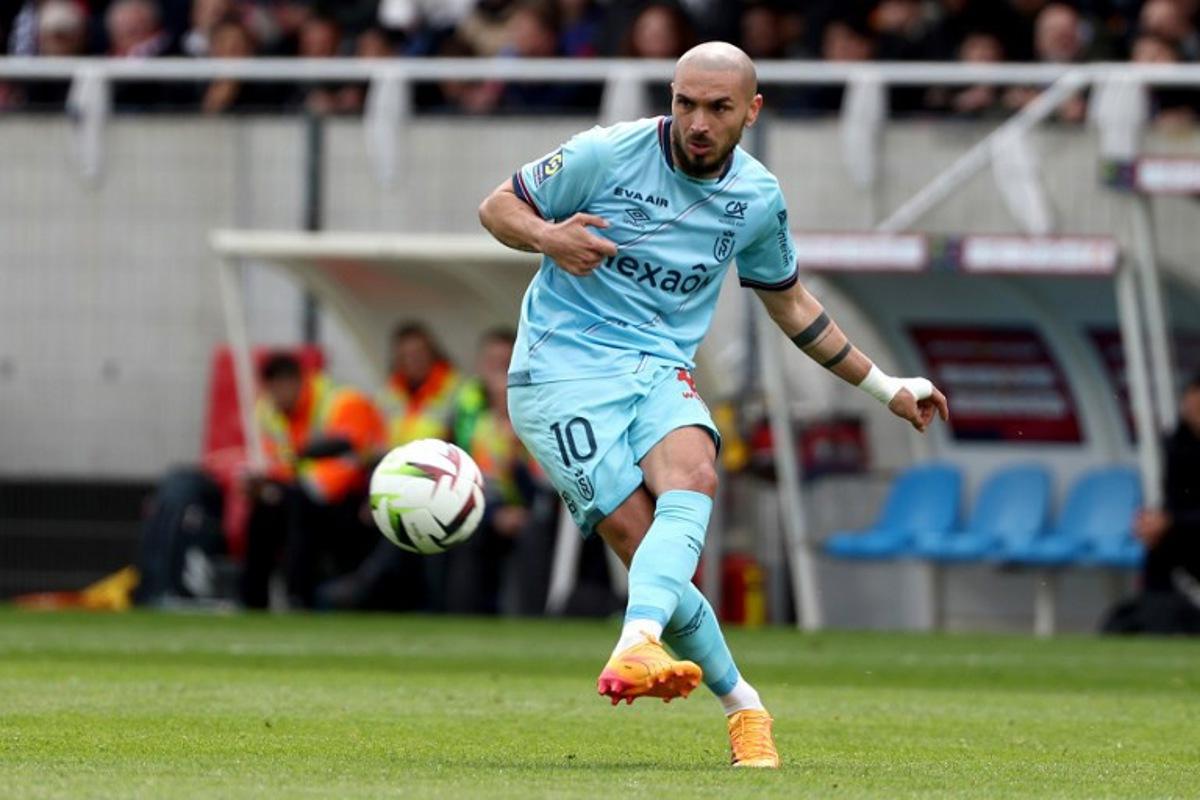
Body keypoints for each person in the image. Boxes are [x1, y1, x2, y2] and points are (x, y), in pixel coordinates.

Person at [478, 41, 948, 768]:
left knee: (695, 477)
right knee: (646, 548)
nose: (697, 121)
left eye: (718, 108)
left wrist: (885, 387)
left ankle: (638, 641)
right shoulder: (606, 155)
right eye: (685, 103)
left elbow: (791, 304)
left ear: (750, 111)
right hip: (560, 373)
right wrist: (549, 236)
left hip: (658, 370)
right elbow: (497, 206)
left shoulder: (755, 199)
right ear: (671, 97)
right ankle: (743, 703)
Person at [239, 353, 387, 609]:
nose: (276, 395)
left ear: (297, 381)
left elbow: (351, 461)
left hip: (353, 498)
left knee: (296, 504)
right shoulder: (268, 410)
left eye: (281, 386)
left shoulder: (343, 403)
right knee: (266, 507)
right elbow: (275, 460)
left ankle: (298, 599)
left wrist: (297, 484)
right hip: (301, 496)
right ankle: (252, 602)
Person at [444, 328, 545, 614]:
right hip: (482, 504)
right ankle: (459, 614)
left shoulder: (535, 415)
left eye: (505, 364)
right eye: (492, 364)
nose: (498, 375)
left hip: (526, 507)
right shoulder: (470, 411)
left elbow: (542, 485)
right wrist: (494, 512)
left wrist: (517, 452)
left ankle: (532, 616)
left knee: (533, 532)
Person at [1135, 372, 1200, 597]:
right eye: (1190, 402)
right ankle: (1156, 617)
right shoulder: (1177, 445)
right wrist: (1154, 521)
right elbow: (1174, 498)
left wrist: (1171, 520)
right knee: (1159, 543)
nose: (1192, 410)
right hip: (1189, 530)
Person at [377, 322, 462, 447]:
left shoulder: (455, 389)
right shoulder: (389, 394)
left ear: (432, 353)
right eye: (406, 356)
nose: (413, 361)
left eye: (419, 353)